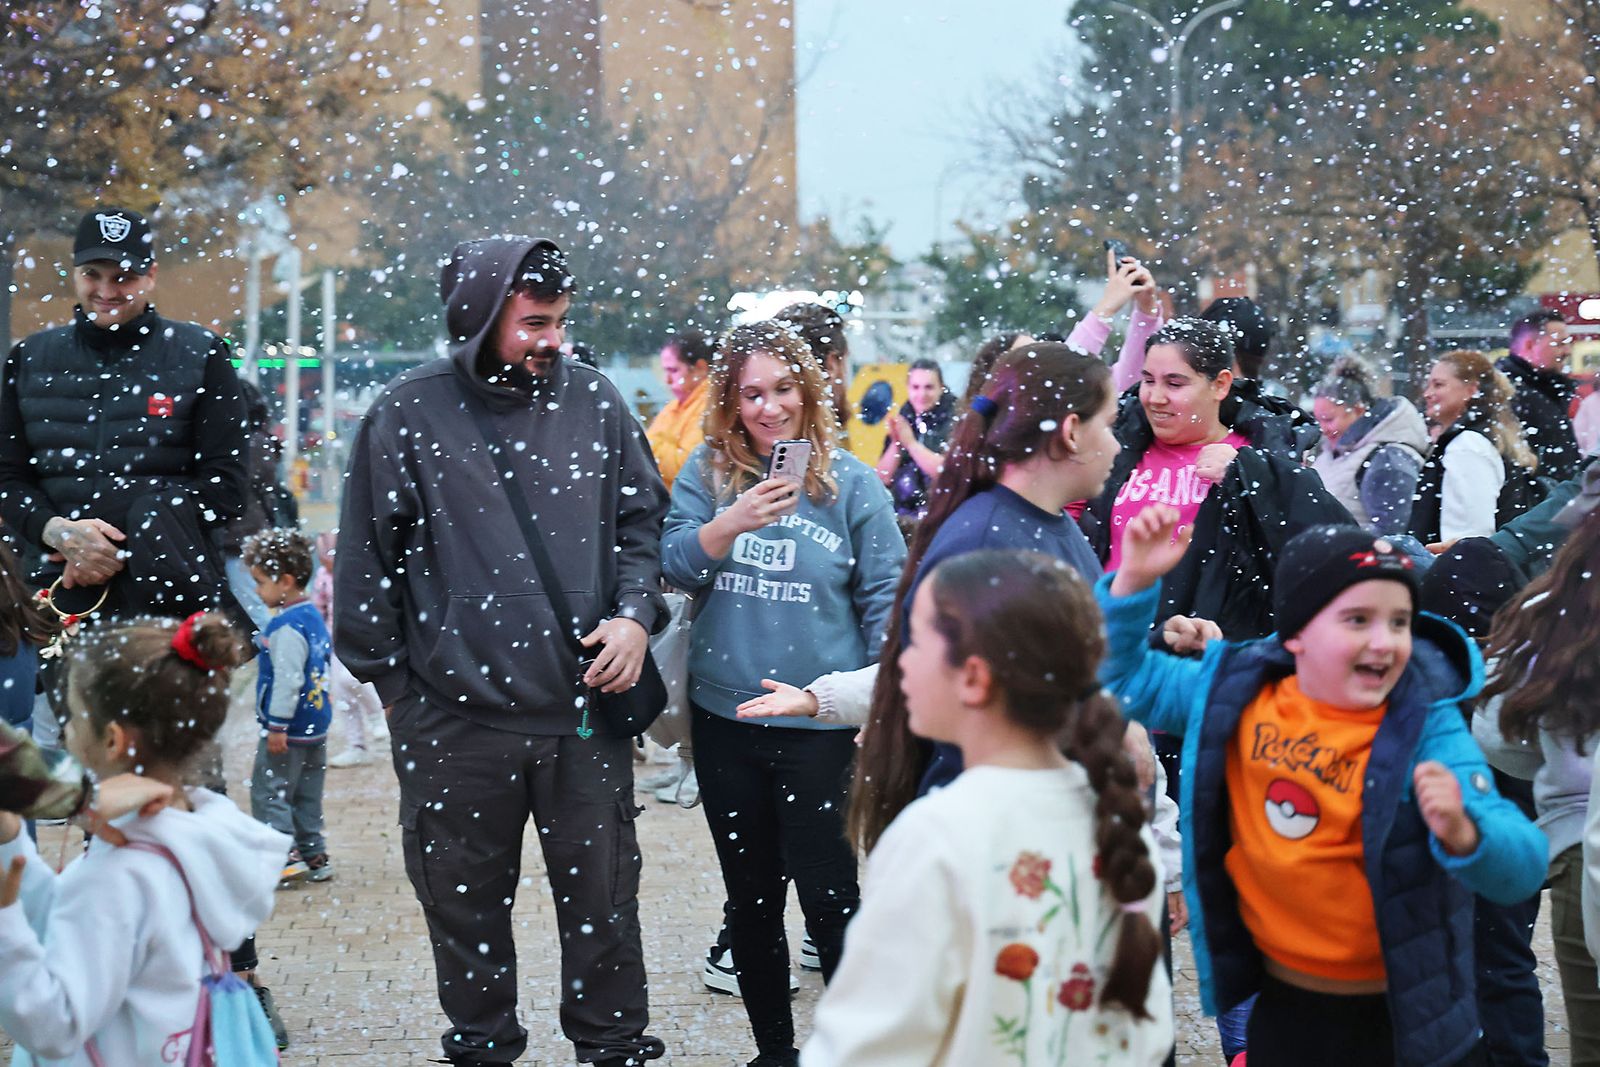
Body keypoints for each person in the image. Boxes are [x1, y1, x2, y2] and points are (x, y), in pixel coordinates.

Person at [334, 236, 668, 1067]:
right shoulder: (406, 412)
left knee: (606, 912)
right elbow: (364, 568)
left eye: (559, 321)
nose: (552, 339)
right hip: (453, 723)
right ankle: (484, 1049)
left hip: (585, 718)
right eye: (533, 323)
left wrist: (634, 615)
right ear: (477, 316)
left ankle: (612, 1049)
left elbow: (641, 527)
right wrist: (402, 701)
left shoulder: (595, 401)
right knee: (465, 912)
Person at [1099, 514, 1546, 1066]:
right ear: (1295, 633)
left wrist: (1466, 831)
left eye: (1400, 621)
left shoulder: (1424, 723)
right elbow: (1122, 682)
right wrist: (1134, 583)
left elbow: (1523, 867)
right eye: (1357, 620)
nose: (1383, 642)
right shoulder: (1238, 692)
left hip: (1401, 1022)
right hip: (1286, 1009)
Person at [802, 550, 1173, 1066]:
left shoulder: (934, 836)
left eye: (914, 642)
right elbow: (1146, 1032)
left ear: (973, 678)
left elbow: (863, 1049)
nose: (900, 661)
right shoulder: (1121, 824)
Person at [660, 320, 904, 1067]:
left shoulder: (852, 484)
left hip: (820, 721)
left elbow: (886, 598)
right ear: (730, 400)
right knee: (753, 900)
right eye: (751, 393)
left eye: (784, 388)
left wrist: (874, 707)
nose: (769, 408)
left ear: (810, 389)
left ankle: (853, 1049)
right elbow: (670, 564)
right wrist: (728, 523)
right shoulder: (706, 472)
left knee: (832, 899)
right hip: (727, 718)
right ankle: (775, 1052)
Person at [843, 342, 1124, 851]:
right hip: (995, 847)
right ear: (1071, 432)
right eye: (1109, 423)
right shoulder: (989, 544)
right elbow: (969, 729)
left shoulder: (1049, 525)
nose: (1118, 444)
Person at [0, 206, 249, 759]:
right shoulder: (29, 360)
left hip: (171, 605)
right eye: (94, 275)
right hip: (61, 605)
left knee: (179, 780)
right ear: (74, 274)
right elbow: (7, 479)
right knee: (86, 780)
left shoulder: (201, 356)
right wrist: (60, 534)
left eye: (124, 277)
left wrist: (123, 535)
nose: (107, 290)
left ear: (151, 276)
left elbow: (229, 488)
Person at [0, 611, 286, 1065]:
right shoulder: (203, 833)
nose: (66, 732)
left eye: (72, 718)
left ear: (112, 740)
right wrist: (13, 844)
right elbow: (75, 928)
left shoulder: (117, 871)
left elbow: (55, 1026)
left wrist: (5, 923)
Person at [1080, 318, 1352, 642]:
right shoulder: (1119, 446)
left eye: (1175, 383)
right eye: (1148, 380)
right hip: (1111, 640)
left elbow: (1329, 540)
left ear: (1221, 384)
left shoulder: (1256, 455)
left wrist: (1251, 473)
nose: (1155, 397)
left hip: (1202, 653)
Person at [1462, 506, 1600, 1065]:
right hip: (1572, 836)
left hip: (1574, 836)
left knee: (1592, 1034)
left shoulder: (1556, 610)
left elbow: (1499, 732)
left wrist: (1557, 758)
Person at [243, 529, 332, 884]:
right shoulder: (311, 616)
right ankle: (314, 853)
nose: (256, 590)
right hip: (315, 725)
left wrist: (277, 725)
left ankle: (282, 856)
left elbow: (289, 679)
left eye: (261, 582)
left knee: (270, 791)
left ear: (286, 581)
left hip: (288, 728)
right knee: (307, 793)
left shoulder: (284, 626)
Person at [1409, 349, 1538, 544]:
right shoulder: (1484, 437)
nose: (1428, 394)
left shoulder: (1467, 445)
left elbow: (1469, 536)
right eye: (1429, 385)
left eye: (1438, 385)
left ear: (1471, 390)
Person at [1309, 356, 1429, 536]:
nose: (1322, 429)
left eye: (1328, 419)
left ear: (1358, 410)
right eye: (1317, 420)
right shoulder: (1333, 453)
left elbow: (1391, 535)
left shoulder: (1388, 458)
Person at [311, 531, 388, 768]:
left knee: (353, 680)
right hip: (335, 644)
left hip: (359, 640)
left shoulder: (356, 574)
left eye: (329, 556)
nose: (326, 561)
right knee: (343, 697)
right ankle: (356, 746)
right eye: (323, 557)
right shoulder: (323, 577)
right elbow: (319, 607)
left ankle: (377, 716)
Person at [1499, 309, 1581, 483]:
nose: (1567, 351)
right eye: (1560, 344)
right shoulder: (1509, 395)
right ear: (1529, 345)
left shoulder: (1545, 390)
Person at [875, 358, 954, 519]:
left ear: (942, 388)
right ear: (907, 388)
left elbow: (949, 473)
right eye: (916, 387)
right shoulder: (905, 416)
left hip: (941, 515)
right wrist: (897, 443)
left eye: (929, 387)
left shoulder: (956, 419)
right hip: (903, 515)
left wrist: (911, 444)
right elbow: (882, 478)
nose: (921, 394)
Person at [645, 328, 716, 490]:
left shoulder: (711, 405)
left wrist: (649, 446)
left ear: (700, 368)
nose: (667, 380)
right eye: (666, 371)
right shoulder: (674, 406)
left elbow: (685, 466)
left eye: (674, 370)